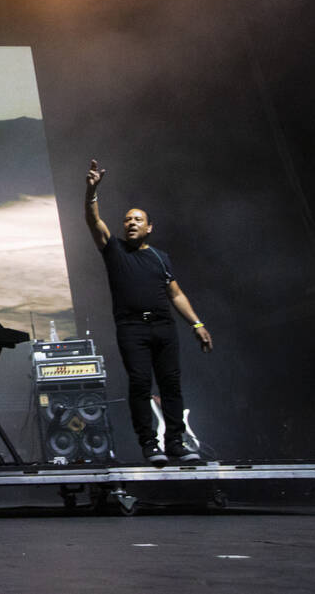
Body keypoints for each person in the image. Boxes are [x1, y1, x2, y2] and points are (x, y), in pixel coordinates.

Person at [84, 159, 213, 464]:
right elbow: (93, 222)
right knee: (141, 382)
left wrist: (197, 324)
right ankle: (149, 444)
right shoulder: (113, 249)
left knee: (171, 384)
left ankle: (176, 443)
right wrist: (91, 192)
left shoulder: (160, 257)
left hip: (164, 327)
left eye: (137, 219)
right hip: (132, 328)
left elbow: (176, 293)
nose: (130, 222)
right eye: (127, 219)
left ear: (149, 227)